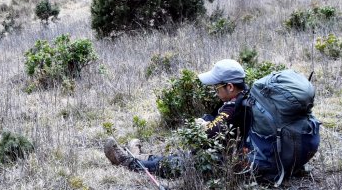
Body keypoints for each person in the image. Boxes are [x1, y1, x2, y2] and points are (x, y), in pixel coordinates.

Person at [103, 58, 253, 177]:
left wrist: (201, 125)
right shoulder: (244, 98)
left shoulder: (235, 108)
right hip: (226, 156)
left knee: (173, 165)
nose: (215, 91)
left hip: (222, 163)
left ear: (230, 87)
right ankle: (139, 156)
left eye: (217, 88)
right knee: (175, 159)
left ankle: (125, 160)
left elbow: (208, 134)